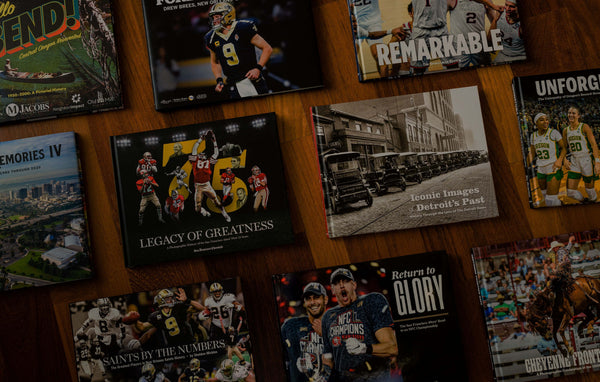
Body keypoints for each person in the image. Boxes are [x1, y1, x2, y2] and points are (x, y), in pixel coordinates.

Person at [320, 268, 398, 381]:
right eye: (337, 283)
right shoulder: (328, 316)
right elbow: (328, 357)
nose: (341, 286)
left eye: (345, 281)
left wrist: (364, 348)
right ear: (332, 290)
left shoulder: (371, 302)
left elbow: (392, 348)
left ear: (354, 285)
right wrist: (321, 376)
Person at [205, 2, 272, 99]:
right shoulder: (211, 37)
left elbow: (267, 48)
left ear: (228, 15)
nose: (215, 20)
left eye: (217, 16)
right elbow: (214, 62)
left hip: (251, 80)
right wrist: (219, 80)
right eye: (213, 17)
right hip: (233, 84)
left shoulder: (242, 27)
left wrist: (258, 68)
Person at [281, 282, 328, 382]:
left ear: (325, 300)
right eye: (308, 299)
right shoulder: (291, 326)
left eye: (316, 297)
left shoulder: (336, 325)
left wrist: (325, 334)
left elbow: (346, 361)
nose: (312, 302)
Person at [139, 288, 205, 346]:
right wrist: (138, 343)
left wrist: (188, 300)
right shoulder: (157, 316)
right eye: (167, 298)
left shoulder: (178, 308)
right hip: (173, 347)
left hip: (187, 343)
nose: (170, 300)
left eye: (171, 298)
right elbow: (146, 331)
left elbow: (201, 308)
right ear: (160, 300)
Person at [189, 131, 231, 222]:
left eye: (203, 154)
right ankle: (203, 211)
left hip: (207, 185)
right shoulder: (195, 160)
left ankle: (224, 213)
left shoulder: (209, 161)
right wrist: (200, 139)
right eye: (201, 154)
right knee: (197, 208)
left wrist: (214, 141)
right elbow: (194, 149)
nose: (202, 155)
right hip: (198, 186)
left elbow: (216, 154)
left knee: (216, 202)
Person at [76, 298, 141, 355]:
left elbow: (121, 324)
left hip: (111, 338)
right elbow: (88, 322)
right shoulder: (94, 314)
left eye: (106, 306)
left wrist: (123, 334)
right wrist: (82, 330)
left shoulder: (114, 313)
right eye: (102, 306)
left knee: (131, 343)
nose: (105, 308)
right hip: (100, 339)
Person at [528, 113, 567, 207]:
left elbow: (564, 148)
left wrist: (560, 160)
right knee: (546, 197)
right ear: (536, 123)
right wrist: (526, 164)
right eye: (542, 120)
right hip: (540, 169)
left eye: (546, 119)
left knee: (550, 201)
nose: (545, 122)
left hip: (553, 167)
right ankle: (559, 204)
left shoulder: (553, 132)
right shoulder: (533, 136)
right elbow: (532, 153)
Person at [563, 106, 600, 203]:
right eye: (569, 112)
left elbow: (593, 145)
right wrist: (564, 159)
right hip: (574, 160)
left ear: (578, 115)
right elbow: (563, 148)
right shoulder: (565, 130)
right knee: (570, 192)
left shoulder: (584, 127)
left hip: (586, 159)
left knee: (590, 190)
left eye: (573, 113)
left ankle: (593, 202)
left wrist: (597, 162)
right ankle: (584, 201)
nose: (571, 115)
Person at [449, 0, 497, 68]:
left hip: (479, 44)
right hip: (459, 45)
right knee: (456, 75)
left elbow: (494, 20)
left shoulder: (487, 1)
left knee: (486, 72)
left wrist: (493, 42)